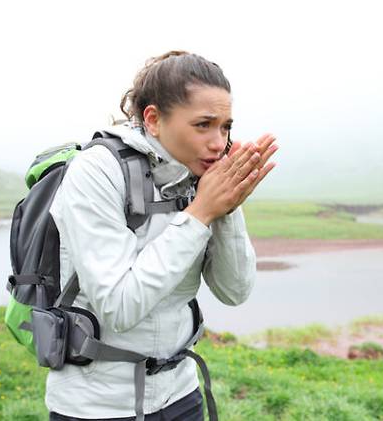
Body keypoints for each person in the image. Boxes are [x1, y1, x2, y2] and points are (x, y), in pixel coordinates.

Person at [46, 50, 277, 420]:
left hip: (180, 393)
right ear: (153, 119)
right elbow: (118, 308)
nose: (219, 143)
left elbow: (234, 292)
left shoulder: (202, 174)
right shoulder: (97, 172)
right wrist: (201, 212)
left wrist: (226, 209)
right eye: (203, 124)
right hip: (97, 405)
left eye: (225, 126)